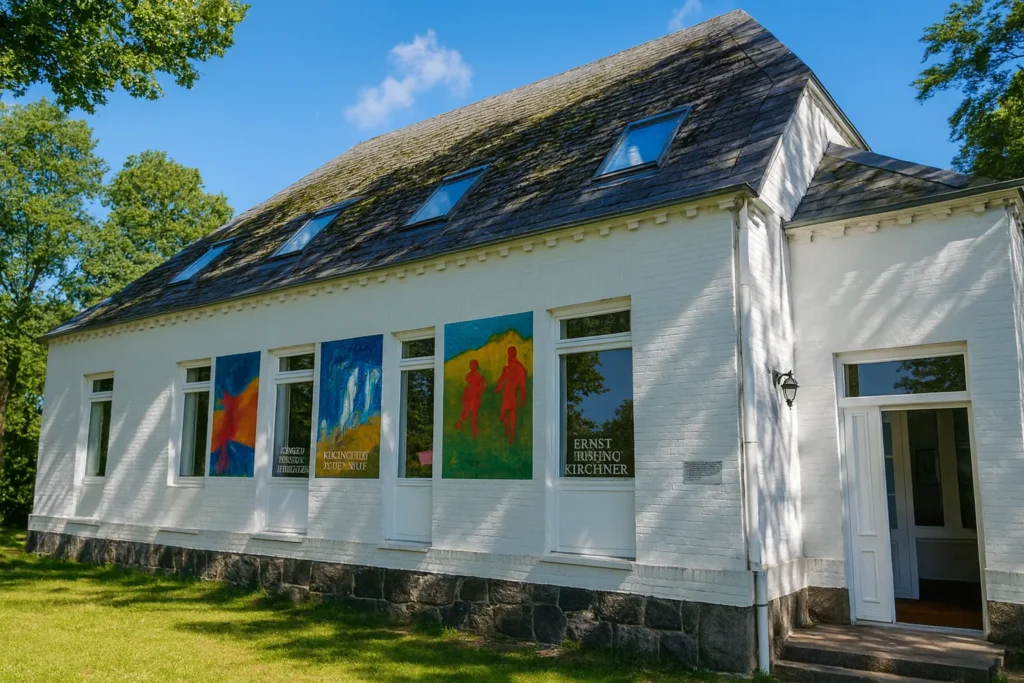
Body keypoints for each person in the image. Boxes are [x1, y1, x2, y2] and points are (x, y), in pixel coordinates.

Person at [496, 346, 527, 444]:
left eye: (510, 353)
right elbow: (501, 379)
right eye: (508, 353)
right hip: (506, 394)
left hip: (512, 395)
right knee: (502, 415)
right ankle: (508, 428)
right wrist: (498, 388)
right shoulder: (506, 368)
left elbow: (522, 385)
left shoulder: (519, 368)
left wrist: (522, 398)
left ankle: (512, 435)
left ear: (514, 354)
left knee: (512, 416)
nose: (509, 356)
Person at [454, 359, 486, 438]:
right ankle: (462, 425)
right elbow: (466, 387)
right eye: (471, 365)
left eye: (473, 365)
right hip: (470, 398)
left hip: (474, 398)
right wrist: (464, 397)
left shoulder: (477, 376)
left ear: (476, 366)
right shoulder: (471, 375)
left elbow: (482, 386)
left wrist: (481, 392)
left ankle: (474, 431)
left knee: (472, 415)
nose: (472, 366)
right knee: (467, 414)